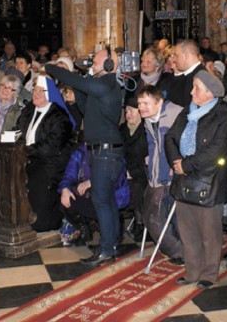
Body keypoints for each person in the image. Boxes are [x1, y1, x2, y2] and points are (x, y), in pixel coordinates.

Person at [45, 49, 124, 266]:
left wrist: (53, 68)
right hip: (101, 150)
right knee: (106, 200)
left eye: (96, 58)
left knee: (101, 200)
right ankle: (112, 244)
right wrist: (85, 76)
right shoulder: (99, 86)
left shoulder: (107, 83)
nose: (92, 61)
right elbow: (84, 106)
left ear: (108, 64)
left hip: (106, 152)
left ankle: (107, 249)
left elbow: (74, 80)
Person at [165, 70, 227, 290]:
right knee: (187, 230)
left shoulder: (223, 114)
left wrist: (187, 165)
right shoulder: (187, 111)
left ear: (210, 93)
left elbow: (217, 149)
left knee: (209, 233)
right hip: (183, 179)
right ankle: (192, 271)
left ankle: (209, 273)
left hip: (208, 180)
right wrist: (176, 160)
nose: (191, 91)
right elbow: (170, 137)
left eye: (196, 87)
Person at [14, 75, 74, 231]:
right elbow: (18, 130)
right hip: (28, 156)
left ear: (50, 94)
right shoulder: (29, 110)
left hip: (50, 161)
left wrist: (25, 150)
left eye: (41, 91)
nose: (36, 93)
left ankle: (40, 222)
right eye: (35, 90)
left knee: (34, 177)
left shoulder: (59, 116)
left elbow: (51, 147)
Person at [137, 85, 184, 263]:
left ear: (159, 102)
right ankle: (180, 251)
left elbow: (185, 143)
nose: (141, 107)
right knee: (151, 217)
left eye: (146, 103)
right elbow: (153, 146)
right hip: (157, 176)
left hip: (173, 175)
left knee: (162, 219)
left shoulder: (176, 115)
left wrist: (177, 163)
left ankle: (182, 252)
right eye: (140, 103)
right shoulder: (148, 118)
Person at [59, 136, 130, 247]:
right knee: (66, 198)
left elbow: (118, 181)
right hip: (88, 195)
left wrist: (92, 182)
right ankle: (83, 229)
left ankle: (114, 226)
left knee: (99, 196)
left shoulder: (112, 152)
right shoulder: (80, 152)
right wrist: (65, 188)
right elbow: (69, 174)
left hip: (112, 196)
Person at [119, 96, 148, 241]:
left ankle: (140, 223)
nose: (128, 114)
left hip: (142, 173)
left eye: (132, 110)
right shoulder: (121, 130)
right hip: (123, 171)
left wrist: (133, 172)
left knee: (138, 187)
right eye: (126, 110)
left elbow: (147, 159)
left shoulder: (146, 130)